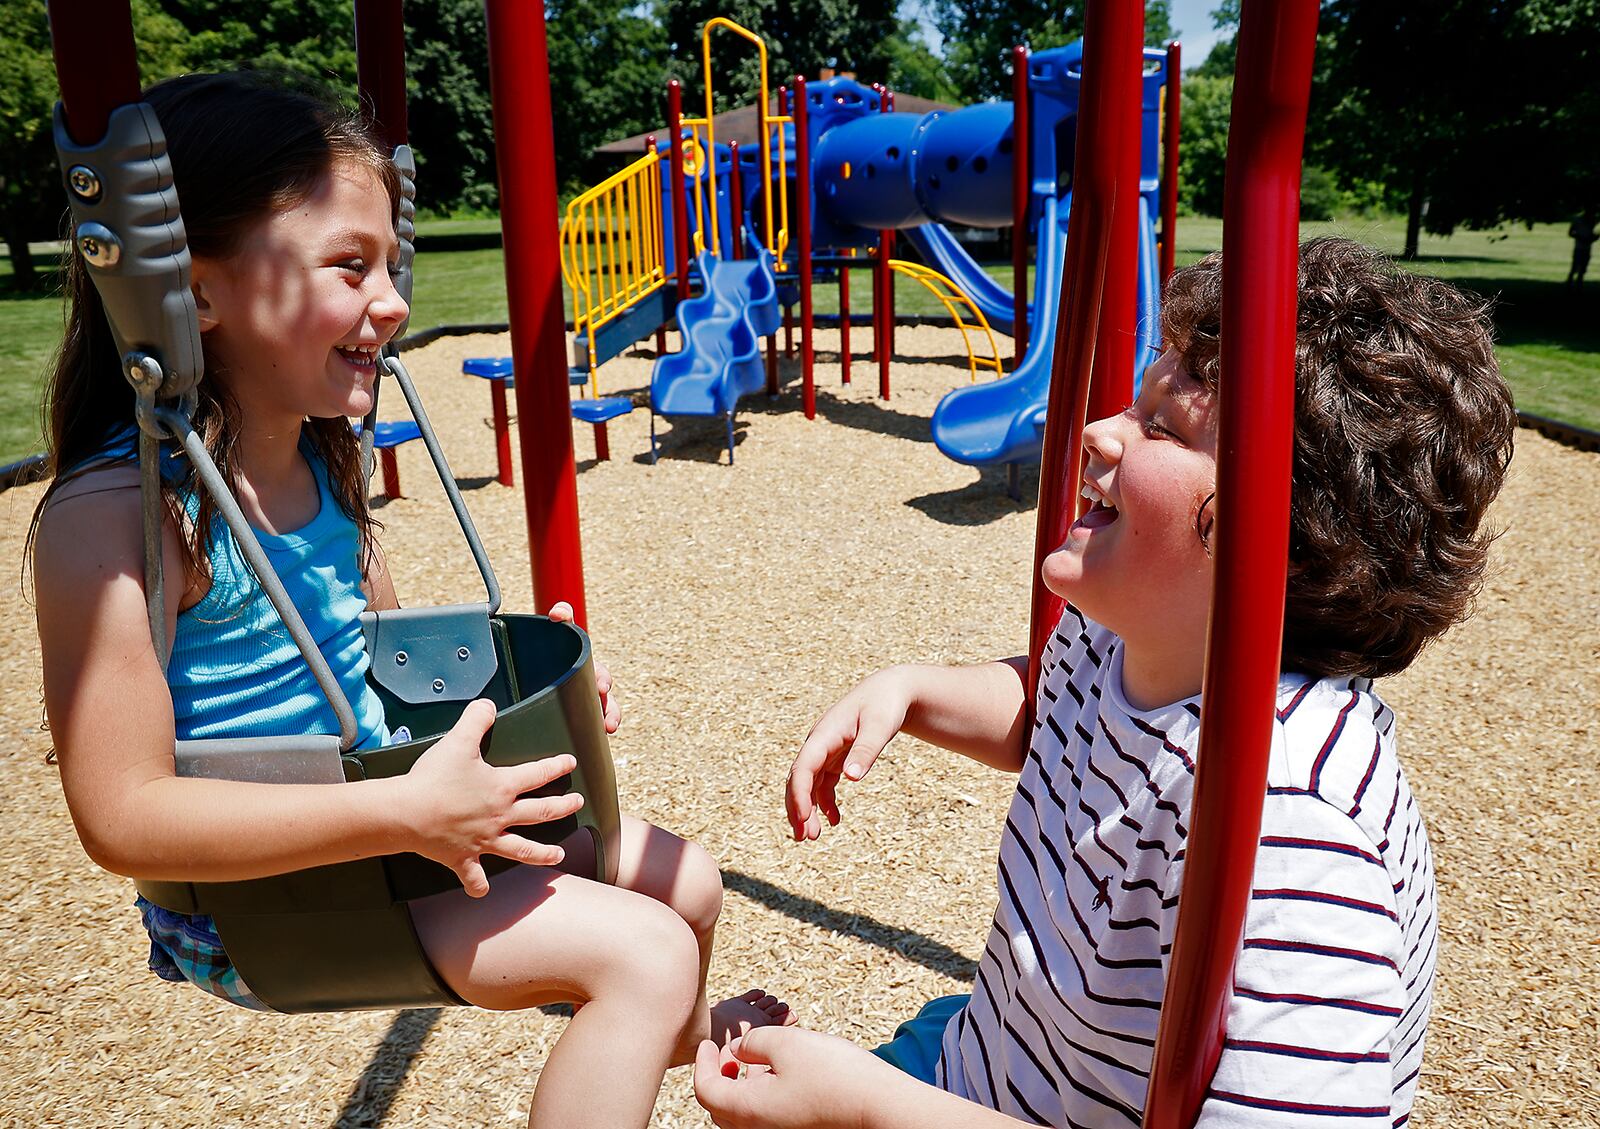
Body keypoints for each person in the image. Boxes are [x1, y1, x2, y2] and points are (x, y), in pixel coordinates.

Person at [29, 72, 790, 1129]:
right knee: (648, 953)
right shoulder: (121, 514)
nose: (392, 301)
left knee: (689, 886)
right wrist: (402, 810)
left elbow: (379, 653)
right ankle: (640, 1034)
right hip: (259, 902)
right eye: (351, 266)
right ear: (195, 289)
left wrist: (516, 678)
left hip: (386, 838)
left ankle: (665, 1077)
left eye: (391, 263)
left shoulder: (318, 459)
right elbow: (121, 817)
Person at [694, 237, 1518, 1128]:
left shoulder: (1291, 824)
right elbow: (1057, 711)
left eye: (1160, 428)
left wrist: (871, 1109)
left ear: (1289, 536)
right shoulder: (1120, 633)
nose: (1099, 430)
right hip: (1002, 1054)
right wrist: (914, 690)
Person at [1566, 210, 1595, 288]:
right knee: (1574, 267)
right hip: (1579, 248)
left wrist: (1593, 238)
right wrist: (1580, 237)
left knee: (1582, 269)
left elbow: (1593, 233)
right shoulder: (1577, 219)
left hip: (1587, 248)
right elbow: (1570, 232)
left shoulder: (1592, 220)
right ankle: (1570, 284)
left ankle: (1578, 285)